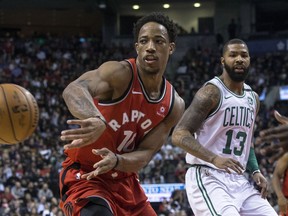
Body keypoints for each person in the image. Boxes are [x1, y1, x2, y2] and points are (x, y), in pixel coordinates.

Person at [59, 12, 185, 216]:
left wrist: (117, 161)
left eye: (158, 41)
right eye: (144, 41)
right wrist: (96, 117)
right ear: (137, 47)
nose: (150, 47)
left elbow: (146, 154)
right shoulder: (119, 74)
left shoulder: (174, 104)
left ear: (170, 48)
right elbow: (74, 89)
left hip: (126, 182)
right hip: (86, 175)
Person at [171, 38, 277, 216]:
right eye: (233, 55)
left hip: (239, 179)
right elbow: (179, 134)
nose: (239, 59)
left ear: (250, 60)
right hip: (208, 175)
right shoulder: (211, 92)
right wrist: (214, 159)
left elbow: (246, 142)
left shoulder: (253, 98)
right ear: (222, 61)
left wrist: (255, 170)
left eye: (244, 55)